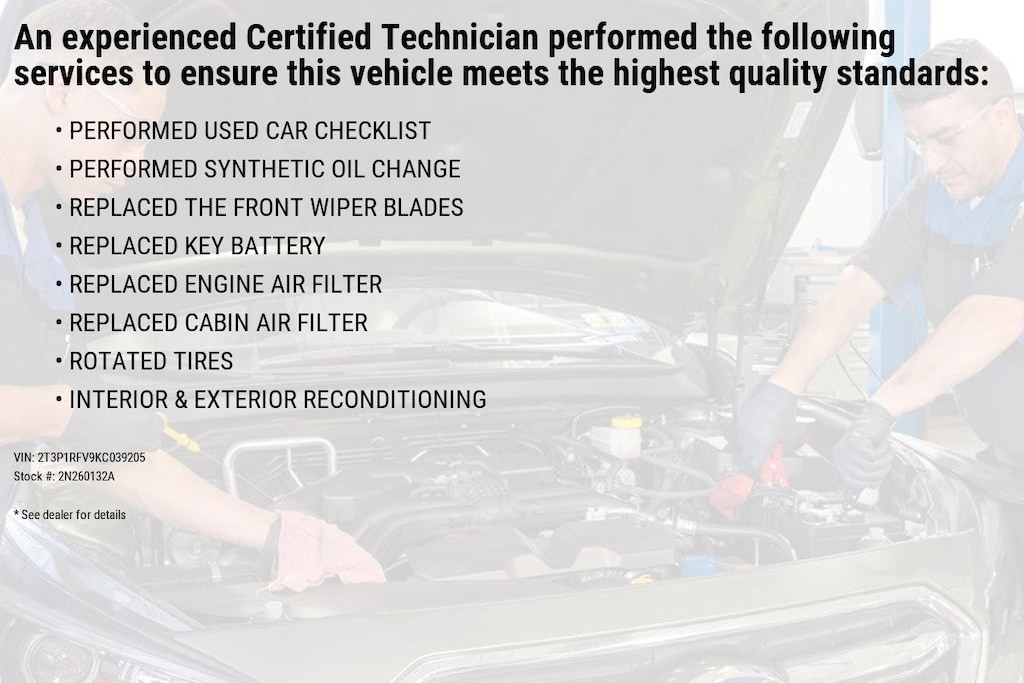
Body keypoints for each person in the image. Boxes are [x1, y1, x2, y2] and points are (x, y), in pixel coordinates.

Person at [0, 0, 385, 591]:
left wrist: (279, 535)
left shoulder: (33, 244)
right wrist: (67, 410)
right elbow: (66, 417)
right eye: (129, 128)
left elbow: (101, 451)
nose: (137, 160)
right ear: (62, 88)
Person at [734, 39, 1024, 499]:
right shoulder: (934, 196)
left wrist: (880, 410)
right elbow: (860, 282)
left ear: (1002, 116)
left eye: (946, 138)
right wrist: (783, 387)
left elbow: (994, 317)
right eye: (920, 143)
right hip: (1009, 462)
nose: (932, 162)